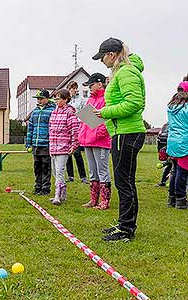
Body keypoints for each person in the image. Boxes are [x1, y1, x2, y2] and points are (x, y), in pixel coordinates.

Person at [92, 37, 146, 242]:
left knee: (125, 183)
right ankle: (125, 223)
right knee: (123, 181)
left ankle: (126, 229)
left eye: (102, 57)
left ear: (111, 55)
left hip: (127, 132)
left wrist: (104, 112)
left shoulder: (126, 72)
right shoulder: (120, 73)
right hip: (120, 132)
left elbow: (134, 103)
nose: (101, 62)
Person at [78, 73, 112, 209]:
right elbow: (85, 120)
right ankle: (93, 199)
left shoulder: (107, 99)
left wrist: (98, 133)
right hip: (88, 141)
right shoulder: (90, 100)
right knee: (92, 171)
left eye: (91, 85)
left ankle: (105, 201)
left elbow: (108, 119)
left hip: (100, 141)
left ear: (99, 84)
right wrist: (82, 134)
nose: (90, 88)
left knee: (102, 170)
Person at [49, 89, 80, 205]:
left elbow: (74, 130)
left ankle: (57, 195)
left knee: (60, 170)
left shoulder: (70, 112)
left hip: (64, 146)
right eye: (56, 98)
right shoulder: (54, 112)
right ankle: (62, 193)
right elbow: (51, 128)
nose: (57, 101)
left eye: (59, 99)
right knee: (54, 171)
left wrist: (73, 145)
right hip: (53, 147)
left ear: (66, 99)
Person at [25, 89, 56, 195]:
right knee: (37, 166)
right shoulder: (35, 111)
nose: (39, 100)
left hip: (46, 144)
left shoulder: (53, 110)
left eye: (41, 98)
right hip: (35, 144)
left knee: (46, 166)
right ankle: (37, 186)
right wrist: (28, 143)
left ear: (47, 99)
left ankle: (45, 188)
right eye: (38, 98)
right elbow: (30, 129)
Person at [167, 90, 188, 209]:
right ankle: (181, 199)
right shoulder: (186, 109)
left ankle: (172, 198)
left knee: (175, 170)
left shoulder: (171, 109)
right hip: (184, 142)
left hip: (173, 142)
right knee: (183, 172)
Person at [65, 81, 88, 184]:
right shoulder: (66, 101)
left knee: (77, 153)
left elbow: (86, 112)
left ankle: (83, 176)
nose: (74, 90)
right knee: (68, 154)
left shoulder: (81, 100)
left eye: (75, 88)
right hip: (67, 129)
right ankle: (70, 176)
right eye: (72, 88)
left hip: (78, 128)